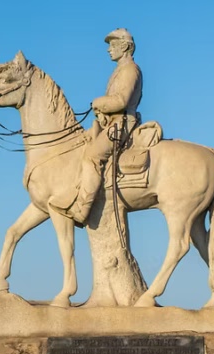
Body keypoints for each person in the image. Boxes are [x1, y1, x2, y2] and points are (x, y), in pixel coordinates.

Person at [53, 28, 143, 224]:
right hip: (113, 122)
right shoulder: (118, 71)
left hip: (123, 124)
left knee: (92, 156)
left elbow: (121, 100)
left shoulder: (130, 70)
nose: (108, 50)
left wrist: (98, 103)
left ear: (125, 46)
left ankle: (82, 209)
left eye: (112, 45)